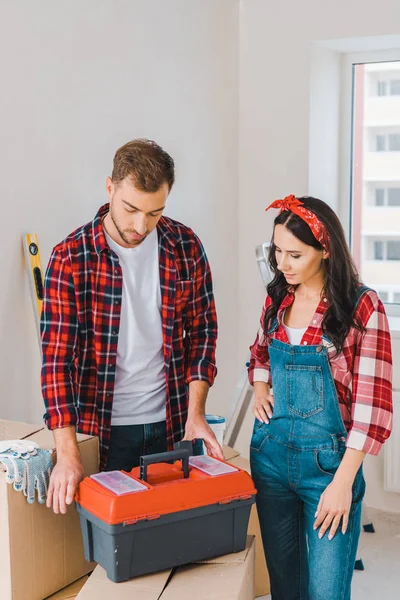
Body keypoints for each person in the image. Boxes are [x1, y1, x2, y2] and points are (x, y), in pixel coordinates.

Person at [41, 138, 222, 515]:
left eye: (155, 213)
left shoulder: (185, 246)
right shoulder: (71, 258)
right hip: (103, 429)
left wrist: (196, 414)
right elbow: (56, 363)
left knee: (168, 536)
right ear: (110, 187)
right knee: (108, 548)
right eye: (131, 209)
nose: (141, 226)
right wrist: (67, 452)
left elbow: (203, 333)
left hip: (171, 424)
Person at [248, 195, 393, 600]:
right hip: (271, 458)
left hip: (329, 468)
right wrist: (261, 387)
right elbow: (259, 353)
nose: (282, 263)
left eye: (294, 254)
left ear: (324, 250)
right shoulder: (278, 297)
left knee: (327, 591)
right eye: (277, 250)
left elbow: (373, 407)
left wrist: (343, 482)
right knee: (285, 588)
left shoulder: (362, 307)